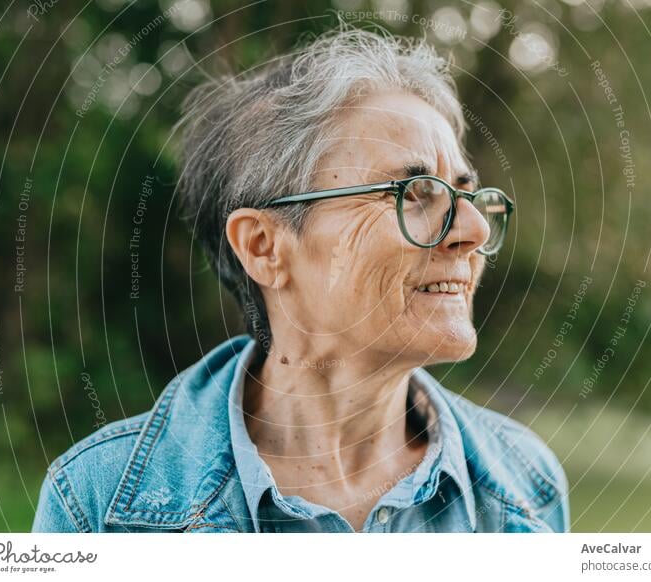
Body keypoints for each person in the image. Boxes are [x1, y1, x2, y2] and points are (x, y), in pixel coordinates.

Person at [33, 26, 569, 533]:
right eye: (413, 194)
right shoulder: (95, 505)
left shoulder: (527, 483)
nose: (473, 229)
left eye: (465, 194)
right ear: (264, 247)